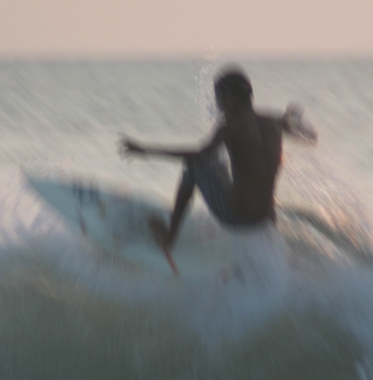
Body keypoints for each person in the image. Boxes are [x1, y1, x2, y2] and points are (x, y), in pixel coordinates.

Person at [119, 66, 315, 249]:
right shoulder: (274, 121)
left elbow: (198, 154)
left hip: (237, 218)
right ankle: (263, 243)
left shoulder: (231, 126)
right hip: (264, 220)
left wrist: (145, 150)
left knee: (194, 166)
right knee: (216, 163)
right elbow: (311, 138)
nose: (218, 105)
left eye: (219, 98)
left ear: (231, 98)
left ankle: (169, 237)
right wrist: (295, 122)